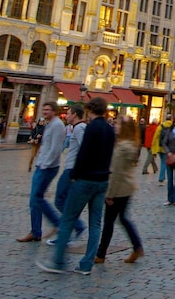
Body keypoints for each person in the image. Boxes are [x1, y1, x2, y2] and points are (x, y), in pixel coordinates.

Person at [37, 96, 116, 275]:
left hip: (86, 180)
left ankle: (57, 262)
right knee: (96, 223)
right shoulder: (110, 130)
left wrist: (74, 176)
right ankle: (86, 264)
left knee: (68, 220)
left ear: (90, 110)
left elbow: (83, 155)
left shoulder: (90, 128)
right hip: (102, 181)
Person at [95, 115, 144, 264]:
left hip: (118, 189)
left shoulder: (122, 147)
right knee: (122, 218)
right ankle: (137, 247)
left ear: (124, 128)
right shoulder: (132, 144)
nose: (115, 126)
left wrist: (109, 194)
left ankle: (101, 254)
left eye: (117, 124)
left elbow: (116, 173)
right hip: (127, 187)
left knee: (109, 221)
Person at [18, 103, 65, 242]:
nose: (44, 111)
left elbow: (56, 148)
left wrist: (45, 164)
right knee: (35, 199)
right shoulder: (49, 124)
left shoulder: (57, 125)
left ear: (54, 111)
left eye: (47, 109)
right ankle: (36, 231)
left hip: (47, 167)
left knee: (36, 198)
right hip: (42, 165)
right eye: (43, 109)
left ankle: (56, 223)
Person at [47, 105, 86, 246]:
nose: (66, 116)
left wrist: (77, 170)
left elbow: (84, 149)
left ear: (75, 115)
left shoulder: (79, 128)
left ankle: (75, 227)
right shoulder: (77, 128)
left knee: (60, 201)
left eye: (68, 113)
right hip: (72, 169)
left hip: (72, 170)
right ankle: (69, 231)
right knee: (66, 201)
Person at [150, 117, 171, 184]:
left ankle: (162, 177)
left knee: (163, 162)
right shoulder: (172, 127)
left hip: (160, 147)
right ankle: (162, 177)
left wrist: (153, 146)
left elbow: (155, 136)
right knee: (164, 162)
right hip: (168, 148)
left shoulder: (160, 126)